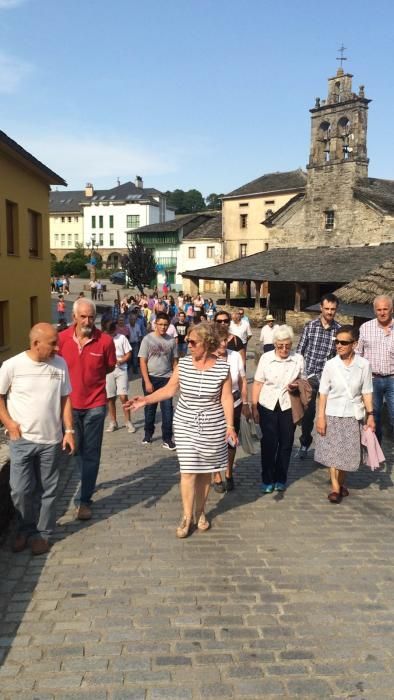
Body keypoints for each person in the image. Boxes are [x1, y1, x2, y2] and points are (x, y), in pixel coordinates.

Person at [126, 322, 237, 538]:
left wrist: (230, 425)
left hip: (212, 425)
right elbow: (169, 389)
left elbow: (226, 397)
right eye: (187, 341)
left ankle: (200, 512)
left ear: (207, 343)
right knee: (188, 471)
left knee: (205, 472)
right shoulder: (183, 365)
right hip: (185, 424)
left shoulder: (223, 367)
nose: (189, 345)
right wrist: (145, 400)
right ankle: (187, 516)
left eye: (193, 342)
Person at [0, 323, 74, 555]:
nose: (57, 348)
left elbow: (65, 400)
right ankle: (25, 528)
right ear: (35, 344)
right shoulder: (12, 366)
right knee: (20, 490)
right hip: (21, 440)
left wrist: (69, 431)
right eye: (52, 344)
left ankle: (43, 534)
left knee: (48, 490)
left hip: (51, 440)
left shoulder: (60, 364)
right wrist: (10, 424)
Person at [58, 299, 116, 521]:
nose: (87, 321)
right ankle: (86, 485)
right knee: (76, 452)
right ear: (74, 317)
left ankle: (83, 501)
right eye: (83, 316)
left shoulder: (105, 342)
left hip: (96, 404)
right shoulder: (62, 339)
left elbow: (109, 367)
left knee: (91, 454)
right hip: (69, 406)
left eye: (91, 317)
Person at [315, 325, 375, 503]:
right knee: (333, 453)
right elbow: (323, 393)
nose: (338, 345)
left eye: (343, 342)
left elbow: (367, 392)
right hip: (332, 413)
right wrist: (320, 417)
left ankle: (341, 483)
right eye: (336, 342)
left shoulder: (364, 365)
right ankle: (335, 487)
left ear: (354, 344)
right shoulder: (330, 365)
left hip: (353, 415)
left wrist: (370, 415)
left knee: (348, 454)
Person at [252, 325, 304, 493]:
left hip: (288, 405)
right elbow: (258, 382)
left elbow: (304, 382)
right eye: (280, 345)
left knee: (286, 443)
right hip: (267, 404)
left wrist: (297, 385)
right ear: (274, 344)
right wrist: (253, 406)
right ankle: (267, 479)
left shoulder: (298, 359)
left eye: (287, 345)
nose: (284, 349)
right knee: (269, 444)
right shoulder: (266, 358)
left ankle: (281, 478)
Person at [296, 293, 341, 458]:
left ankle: (324, 449)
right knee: (308, 415)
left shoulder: (339, 330)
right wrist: (298, 376)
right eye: (327, 308)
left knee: (328, 415)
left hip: (330, 380)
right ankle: (305, 442)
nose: (330, 312)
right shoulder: (310, 326)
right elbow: (299, 352)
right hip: (310, 377)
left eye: (333, 309)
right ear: (321, 308)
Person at [213, 324, 250, 492]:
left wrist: (246, 403)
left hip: (233, 403)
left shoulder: (235, 356)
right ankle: (216, 475)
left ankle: (228, 472)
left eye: (224, 341)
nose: (222, 344)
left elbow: (242, 381)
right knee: (214, 440)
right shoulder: (208, 357)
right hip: (212, 405)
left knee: (230, 440)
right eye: (219, 341)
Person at [357, 295, 394, 444]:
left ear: (391, 310)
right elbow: (359, 354)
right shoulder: (365, 327)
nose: (382, 312)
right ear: (374, 310)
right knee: (374, 415)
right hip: (372, 379)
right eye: (379, 309)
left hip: (392, 378)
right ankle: (376, 448)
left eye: (385, 309)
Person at [138, 311, 178, 448]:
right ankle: (148, 434)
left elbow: (175, 362)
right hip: (151, 378)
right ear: (155, 324)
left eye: (165, 325)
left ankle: (167, 438)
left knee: (167, 409)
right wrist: (147, 381)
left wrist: (175, 379)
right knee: (150, 408)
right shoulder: (147, 339)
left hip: (167, 379)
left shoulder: (171, 341)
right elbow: (142, 361)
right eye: (160, 324)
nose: (163, 327)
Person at [103, 321, 135, 433]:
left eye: (112, 332)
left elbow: (129, 353)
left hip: (121, 369)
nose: (110, 335)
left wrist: (122, 361)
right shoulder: (103, 339)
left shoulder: (122, 338)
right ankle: (113, 422)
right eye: (108, 333)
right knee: (110, 397)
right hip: (108, 371)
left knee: (123, 397)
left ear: (115, 329)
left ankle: (128, 421)